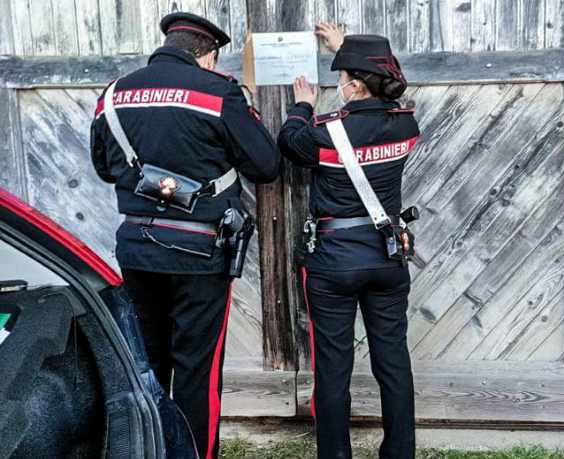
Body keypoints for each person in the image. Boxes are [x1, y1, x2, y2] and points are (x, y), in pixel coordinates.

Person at [89, 12, 281, 458]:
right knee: (197, 371)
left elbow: (103, 168)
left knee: (147, 364)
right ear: (208, 54)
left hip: (137, 248)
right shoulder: (218, 93)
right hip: (201, 252)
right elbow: (265, 165)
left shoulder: (113, 94)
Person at [278, 22, 420, 459]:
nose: (337, 86)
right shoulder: (406, 126)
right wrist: (348, 51)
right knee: (393, 362)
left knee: (333, 368)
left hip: (334, 262)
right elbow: (384, 94)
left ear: (354, 86)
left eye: (342, 79)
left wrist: (303, 105)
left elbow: (289, 143)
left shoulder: (324, 133)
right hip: (386, 258)